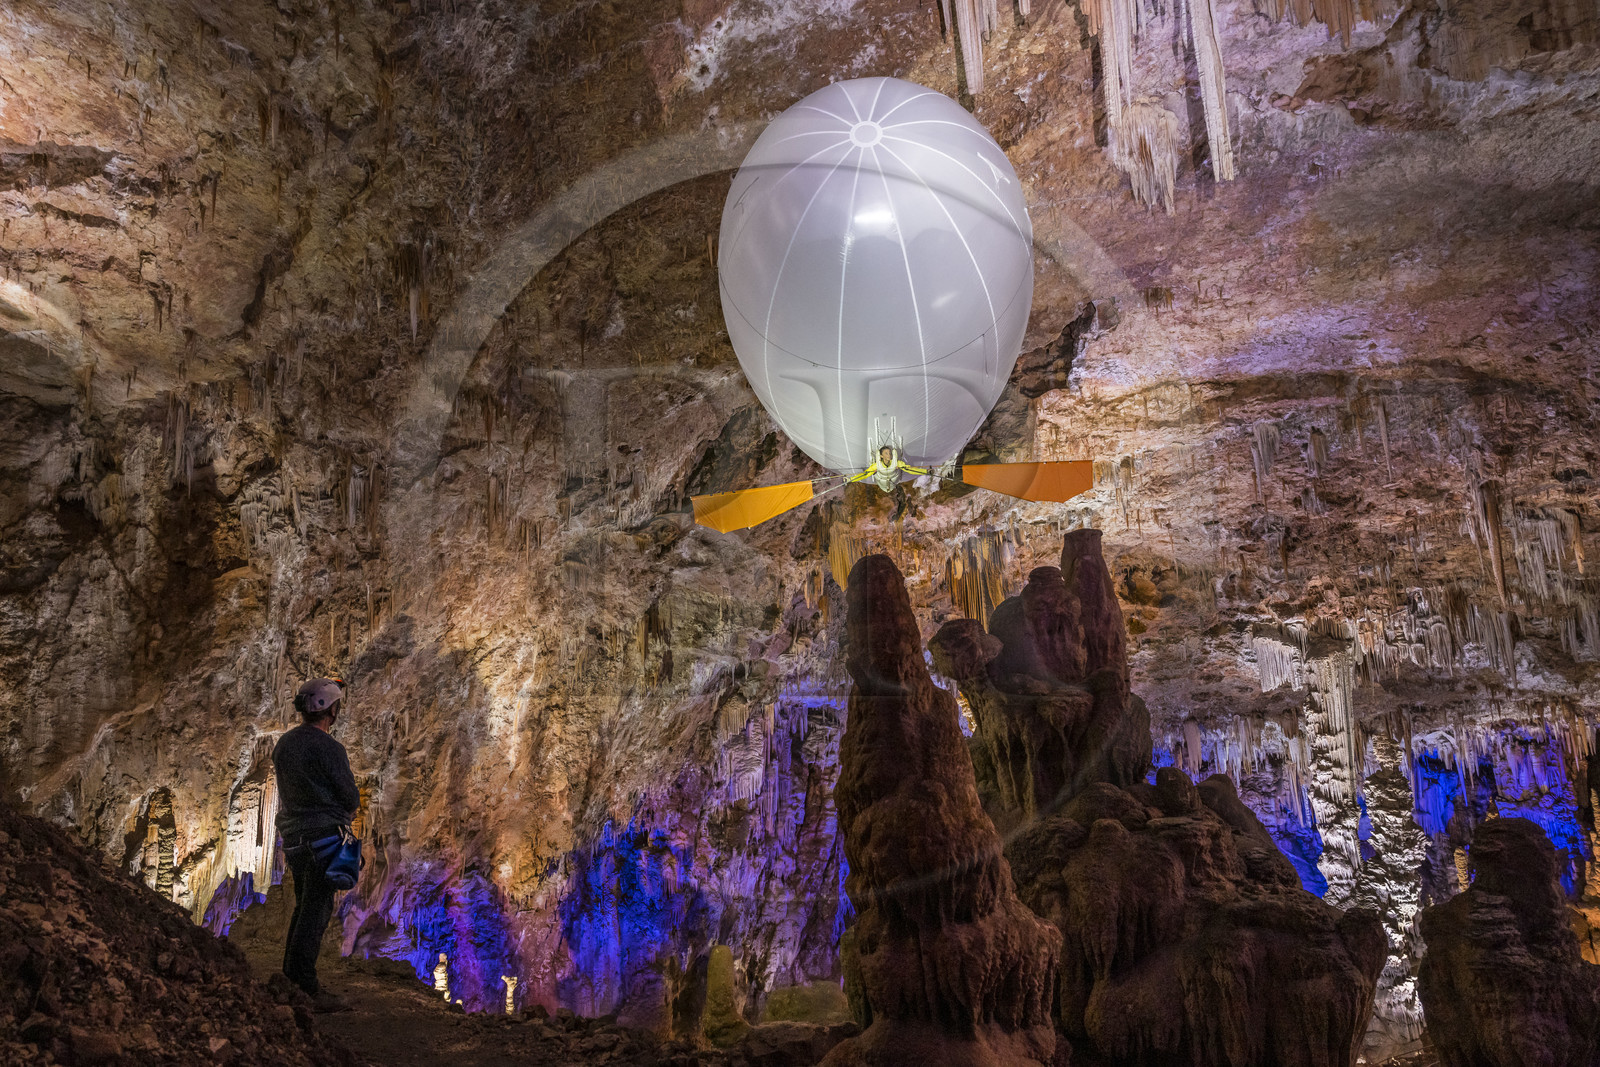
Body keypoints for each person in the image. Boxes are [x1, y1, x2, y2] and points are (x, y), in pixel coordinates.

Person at [273, 677, 358, 1011]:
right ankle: (306, 988)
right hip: (323, 838)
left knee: (304, 906)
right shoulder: (329, 748)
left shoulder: (284, 744)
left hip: (293, 839)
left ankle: (291, 980)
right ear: (330, 710)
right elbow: (350, 798)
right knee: (317, 909)